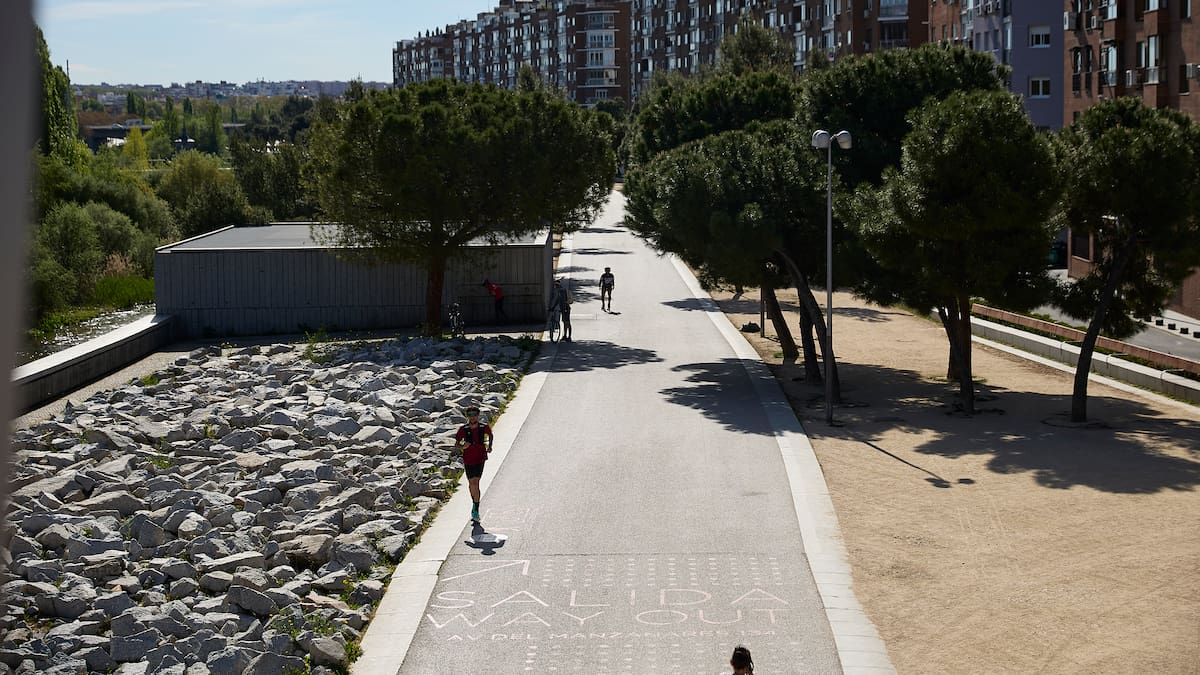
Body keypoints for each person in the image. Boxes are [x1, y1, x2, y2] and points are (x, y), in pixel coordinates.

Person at [454, 406, 493, 523]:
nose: (472, 417)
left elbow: (490, 434)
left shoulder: (483, 427)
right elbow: (457, 443)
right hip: (468, 459)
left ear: (478, 415)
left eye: (474, 414)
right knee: (472, 483)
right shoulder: (463, 429)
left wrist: (490, 446)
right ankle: (474, 502)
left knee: (476, 482)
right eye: (470, 415)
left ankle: (475, 509)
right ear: (467, 416)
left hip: (480, 457)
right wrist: (462, 446)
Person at [549, 278, 573, 342]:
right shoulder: (558, 291)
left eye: (556, 285)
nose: (555, 286)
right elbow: (557, 301)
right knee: (564, 322)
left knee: (567, 322)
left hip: (566, 308)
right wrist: (552, 308)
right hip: (563, 309)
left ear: (558, 285)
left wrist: (564, 308)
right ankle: (565, 336)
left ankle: (569, 336)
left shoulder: (562, 291)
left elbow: (563, 301)